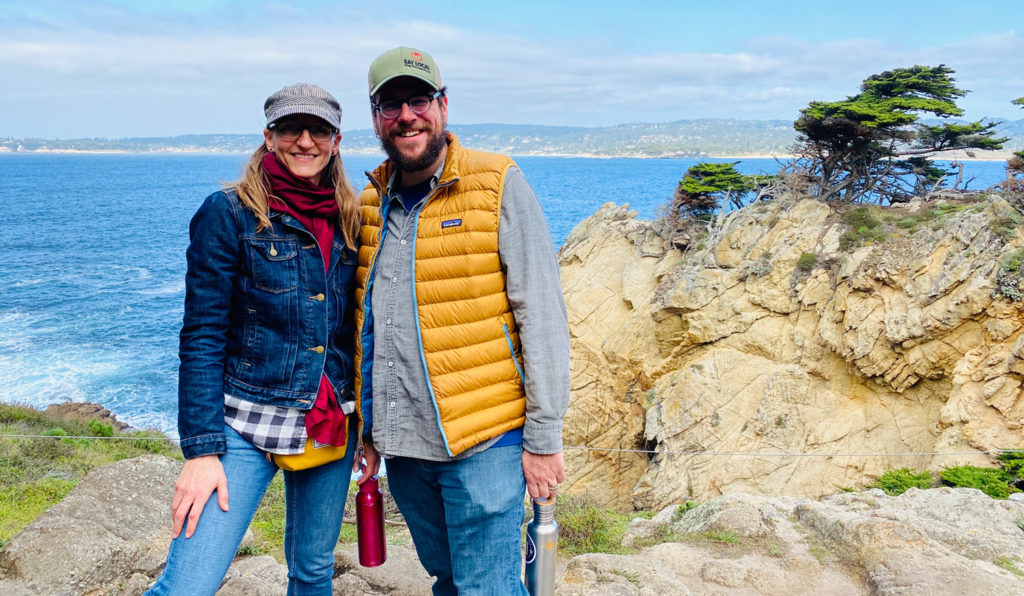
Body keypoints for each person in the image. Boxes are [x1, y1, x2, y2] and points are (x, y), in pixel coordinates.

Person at [353, 47, 570, 595]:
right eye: (391, 104)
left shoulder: (497, 182)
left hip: (484, 442)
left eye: (419, 100)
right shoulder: (369, 204)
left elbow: (541, 314)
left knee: (485, 589)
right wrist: (369, 430)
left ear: (443, 106)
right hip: (405, 449)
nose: (407, 115)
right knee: (450, 578)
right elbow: (366, 326)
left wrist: (543, 438)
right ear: (376, 116)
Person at [147, 83, 361, 596]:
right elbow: (201, 334)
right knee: (187, 585)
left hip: (327, 421)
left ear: (336, 140)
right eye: (291, 128)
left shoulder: (352, 216)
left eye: (319, 130)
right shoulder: (228, 212)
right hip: (244, 422)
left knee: (312, 573)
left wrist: (369, 425)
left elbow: (356, 333)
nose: (304, 140)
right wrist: (200, 451)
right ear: (269, 136)